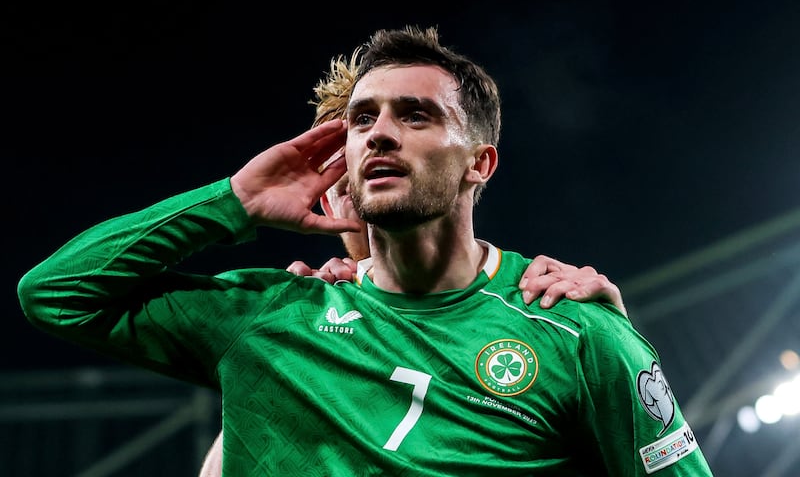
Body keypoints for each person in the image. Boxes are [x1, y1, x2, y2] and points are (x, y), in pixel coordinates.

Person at [18, 26, 709, 475]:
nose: (378, 135)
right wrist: (234, 201)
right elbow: (56, 293)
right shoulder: (276, 318)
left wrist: (617, 342)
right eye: (361, 121)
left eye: (415, 115)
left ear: (479, 164)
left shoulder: (574, 329)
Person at [197, 49, 629, 477]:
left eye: (411, 122)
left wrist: (612, 347)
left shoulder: (536, 309)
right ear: (323, 202)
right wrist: (264, 366)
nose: (367, 208)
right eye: (345, 188)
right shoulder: (299, 323)